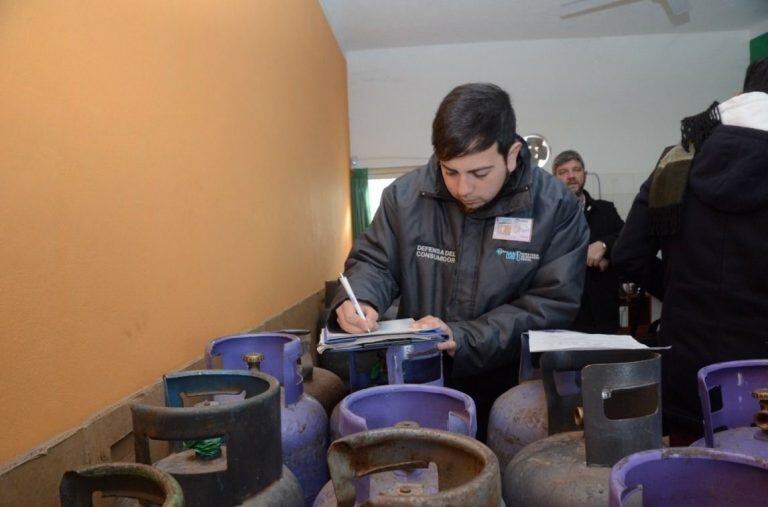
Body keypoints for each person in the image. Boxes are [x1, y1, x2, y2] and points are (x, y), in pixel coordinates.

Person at [331, 83, 589, 439]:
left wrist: (465, 337)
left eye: (479, 174)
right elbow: (374, 260)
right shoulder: (404, 197)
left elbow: (551, 302)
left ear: (513, 154)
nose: (462, 188)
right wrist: (358, 299)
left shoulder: (555, 207)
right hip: (420, 379)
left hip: (513, 388)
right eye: (450, 171)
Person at [612, 58, 768, 444]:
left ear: (741, 94)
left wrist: (682, 289)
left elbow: (627, 255)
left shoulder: (677, 161)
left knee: (688, 486)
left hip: (686, 372)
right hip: (760, 380)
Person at [552, 150, 624, 333]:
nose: (571, 176)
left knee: (606, 361)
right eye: (563, 172)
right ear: (554, 178)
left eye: (576, 170)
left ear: (584, 174)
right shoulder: (546, 214)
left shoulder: (606, 210)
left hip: (602, 310)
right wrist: (588, 257)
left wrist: (604, 246)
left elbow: (627, 239)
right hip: (562, 311)